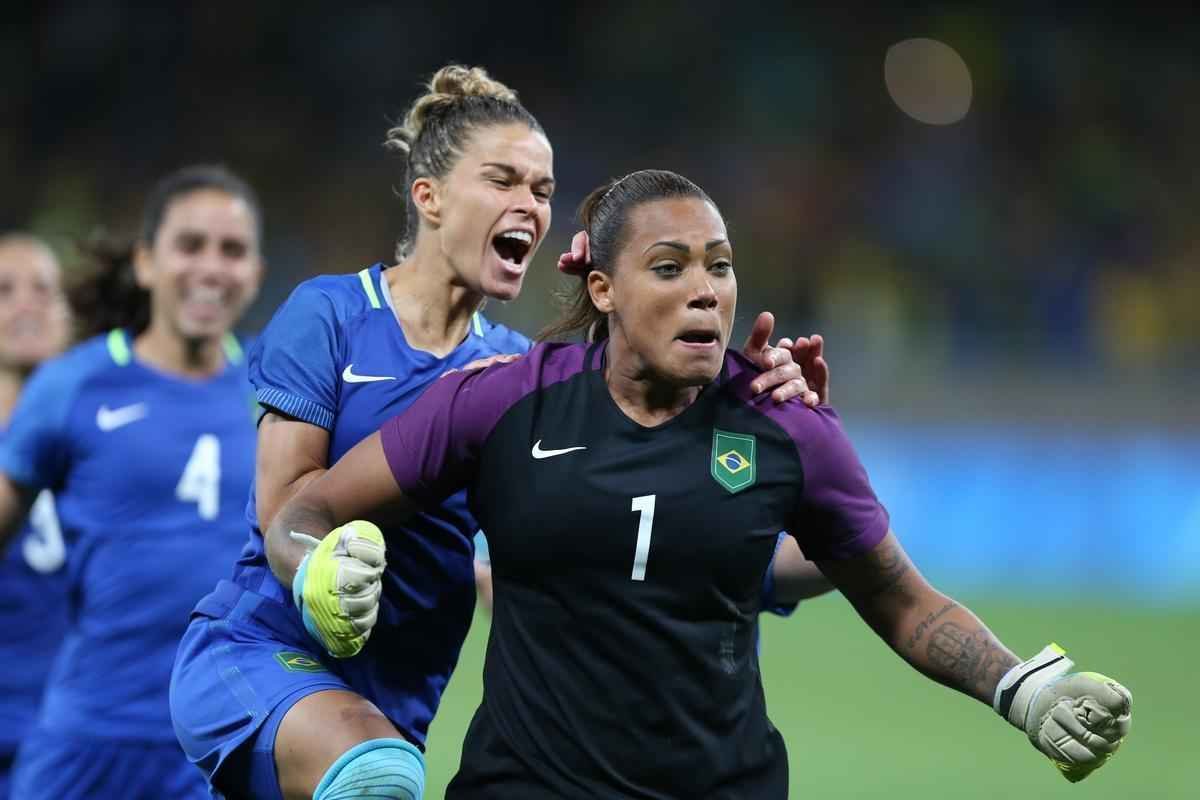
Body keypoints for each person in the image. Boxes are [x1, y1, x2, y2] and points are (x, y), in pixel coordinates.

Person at [265, 169, 1133, 799]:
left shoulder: (787, 426)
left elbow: (903, 601)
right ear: (603, 289)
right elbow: (315, 502)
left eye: (718, 267)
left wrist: (1027, 690)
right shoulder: (501, 405)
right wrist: (314, 563)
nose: (706, 294)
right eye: (671, 267)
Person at [169, 65, 822, 800]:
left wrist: (803, 482)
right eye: (503, 181)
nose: (530, 205)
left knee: (379, 768)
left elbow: (641, 514)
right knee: (375, 776)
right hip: (262, 652)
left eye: (543, 192)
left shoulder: (514, 373)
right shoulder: (329, 316)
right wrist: (321, 571)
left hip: (393, 705)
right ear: (430, 197)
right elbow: (286, 505)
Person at [0, 165, 264, 799]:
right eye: (190, 245)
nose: (212, 267)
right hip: (86, 736)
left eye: (232, 250)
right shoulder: (72, 385)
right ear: (146, 263)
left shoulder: (279, 392)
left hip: (218, 739)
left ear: (256, 271)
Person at [0, 234, 72, 799]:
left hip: (86, 732)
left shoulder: (116, 441)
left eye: (44, 290)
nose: (27, 304)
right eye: (4, 291)